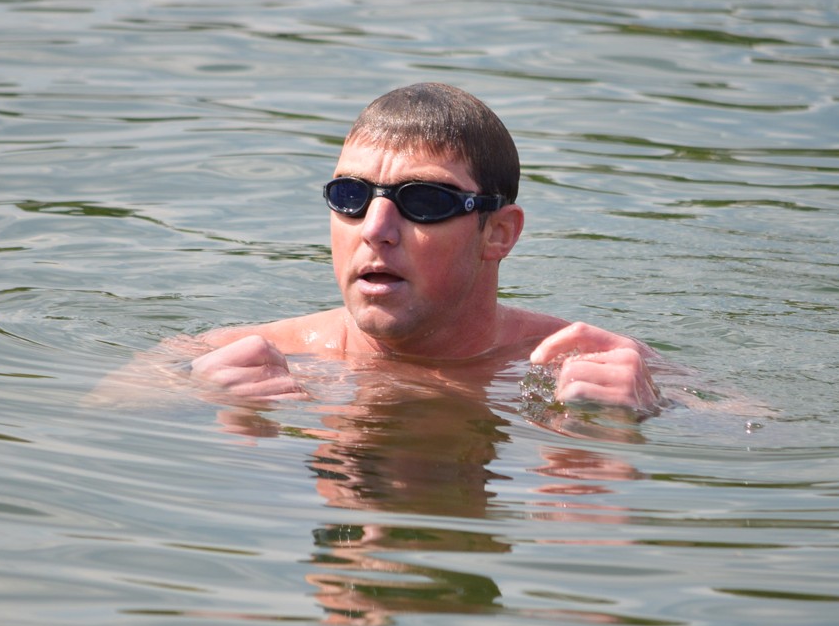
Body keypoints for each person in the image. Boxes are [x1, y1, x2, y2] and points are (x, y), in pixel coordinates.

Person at [96, 82, 664, 417]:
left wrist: (643, 413)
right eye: (351, 196)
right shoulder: (226, 355)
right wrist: (192, 395)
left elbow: (723, 431)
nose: (375, 227)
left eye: (425, 201)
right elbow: (96, 417)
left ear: (499, 233)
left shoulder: (596, 364)